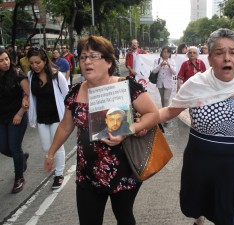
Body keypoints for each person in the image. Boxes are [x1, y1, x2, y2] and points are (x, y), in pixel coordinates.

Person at [159, 28, 234, 225]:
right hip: (198, 164)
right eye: (219, 53)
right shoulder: (196, 84)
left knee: (228, 214)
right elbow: (168, 111)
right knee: (197, 205)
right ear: (209, 59)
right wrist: (140, 122)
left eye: (232, 52)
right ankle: (199, 220)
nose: (227, 58)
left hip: (233, 168)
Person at [44, 35, 159, 225]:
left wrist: (129, 129)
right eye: (82, 57)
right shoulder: (75, 92)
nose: (86, 61)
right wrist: (51, 153)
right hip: (87, 173)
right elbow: (65, 126)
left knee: (124, 216)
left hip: (123, 170)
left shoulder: (125, 86)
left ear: (108, 62)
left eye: (93, 56)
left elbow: (152, 114)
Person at [27, 47, 69, 189]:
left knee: (58, 146)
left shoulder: (57, 76)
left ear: (45, 61)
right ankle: (52, 159)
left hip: (57, 116)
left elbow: (67, 96)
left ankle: (59, 174)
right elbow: (29, 94)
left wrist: (68, 117)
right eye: (31, 63)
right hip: (42, 117)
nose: (35, 66)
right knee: (47, 146)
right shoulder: (30, 76)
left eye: (37, 62)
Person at [0, 48, 30, 193]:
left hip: (16, 117)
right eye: (1, 60)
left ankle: (19, 178)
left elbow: (29, 94)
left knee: (14, 146)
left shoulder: (18, 74)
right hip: (1, 118)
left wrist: (20, 113)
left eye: (6, 59)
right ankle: (21, 158)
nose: (5, 63)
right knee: (3, 147)